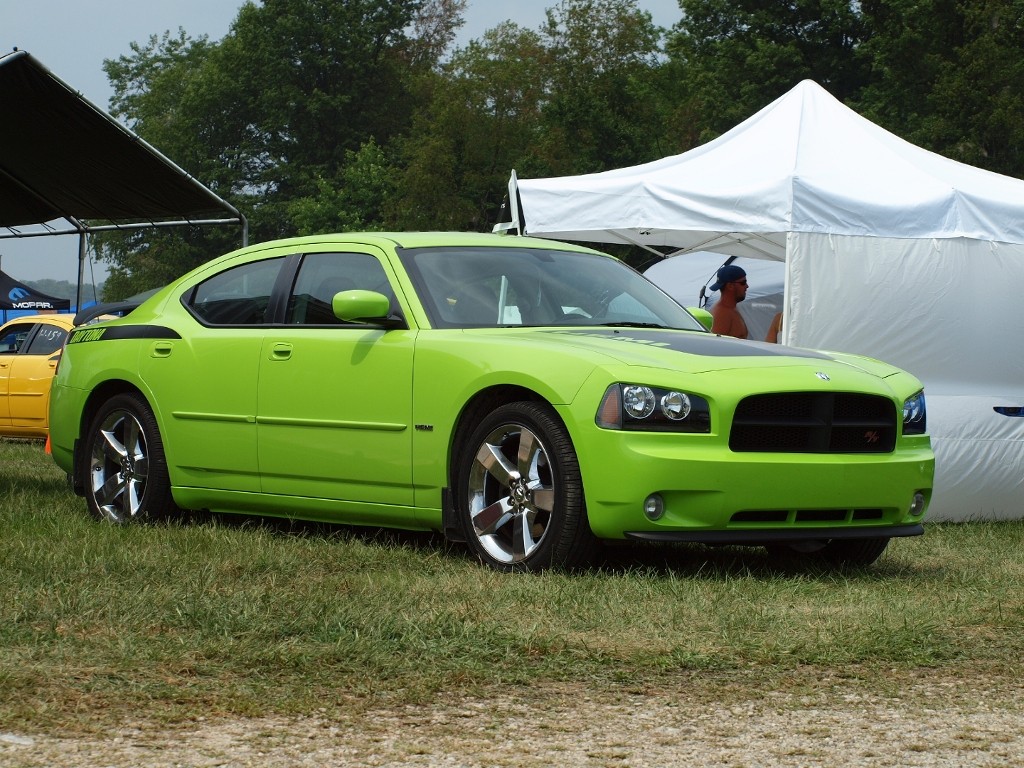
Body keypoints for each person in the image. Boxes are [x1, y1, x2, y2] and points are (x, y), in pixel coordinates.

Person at [709, 264, 748, 338]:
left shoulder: (730, 309)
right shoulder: (721, 314)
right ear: (730, 286)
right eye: (743, 282)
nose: (747, 286)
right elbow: (715, 346)